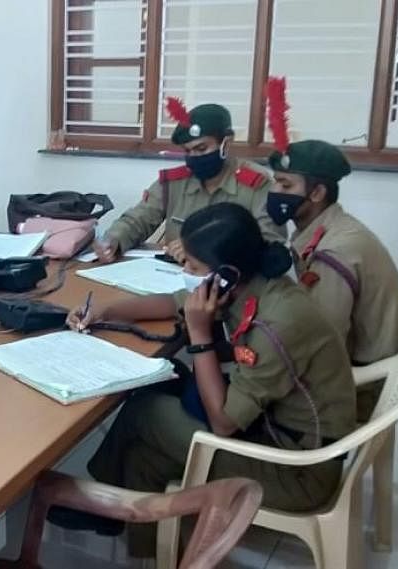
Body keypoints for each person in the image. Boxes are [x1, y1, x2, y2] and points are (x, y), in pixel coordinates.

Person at [55, 203, 356, 559]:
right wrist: (105, 311)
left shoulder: (278, 322)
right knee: (141, 458)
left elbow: (224, 423)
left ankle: (101, 504)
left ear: (226, 273)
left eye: (192, 267)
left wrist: (199, 334)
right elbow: (174, 302)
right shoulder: (252, 282)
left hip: (297, 469)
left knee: (146, 410)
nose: (184, 271)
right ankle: (143, 548)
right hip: (273, 430)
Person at [265, 139, 398, 418]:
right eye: (275, 182)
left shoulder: (334, 252)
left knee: (235, 396)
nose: (274, 192)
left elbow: (321, 341)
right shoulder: (331, 229)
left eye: (285, 186)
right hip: (362, 365)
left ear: (317, 192)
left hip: (358, 387)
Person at [94, 99, 284, 265]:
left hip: (231, 286)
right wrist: (114, 240)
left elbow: (268, 242)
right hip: (172, 278)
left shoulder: (257, 184)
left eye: (201, 149)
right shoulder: (174, 183)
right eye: (188, 151)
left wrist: (200, 249)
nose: (194, 157)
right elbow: (139, 219)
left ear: (226, 143)